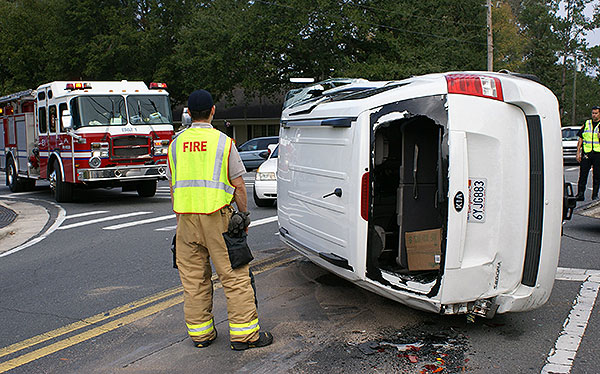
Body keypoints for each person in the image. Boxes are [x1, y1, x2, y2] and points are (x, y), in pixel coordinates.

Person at [167, 89, 273, 350]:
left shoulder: (175, 144)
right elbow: (238, 185)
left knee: (193, 281)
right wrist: (244, 218)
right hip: (218, 220)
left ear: (189, 113)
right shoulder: (223, 143)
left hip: (186, 221)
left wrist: (181, 217)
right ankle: (244, 336)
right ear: (213, 111)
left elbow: (173, 186)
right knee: (235, 277)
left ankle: (201, 335)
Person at [575, 106, 600, 201]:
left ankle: (595, 195)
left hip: (598, 153)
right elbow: (581, 138)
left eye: (596, 113)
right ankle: (580, 194)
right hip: (587, 153)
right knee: (583, 174)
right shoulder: (587, 123)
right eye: (593, 113)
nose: (594, 115)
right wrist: (578, 152)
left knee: (597, 175)